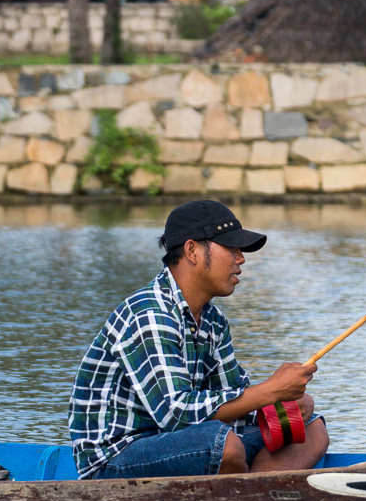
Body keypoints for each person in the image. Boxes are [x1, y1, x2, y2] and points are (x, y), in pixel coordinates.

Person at [67, 199, 329, 480]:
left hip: (184, 442)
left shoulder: (214, 321)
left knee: (310, 430)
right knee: (222, 444)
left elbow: (233, 400)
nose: (240, 258)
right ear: (192, 251)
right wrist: (269, 391)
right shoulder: (150, 314)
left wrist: (283, 405)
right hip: (115, 462)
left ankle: (250, 500)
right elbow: (176, 415)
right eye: (231, 248)